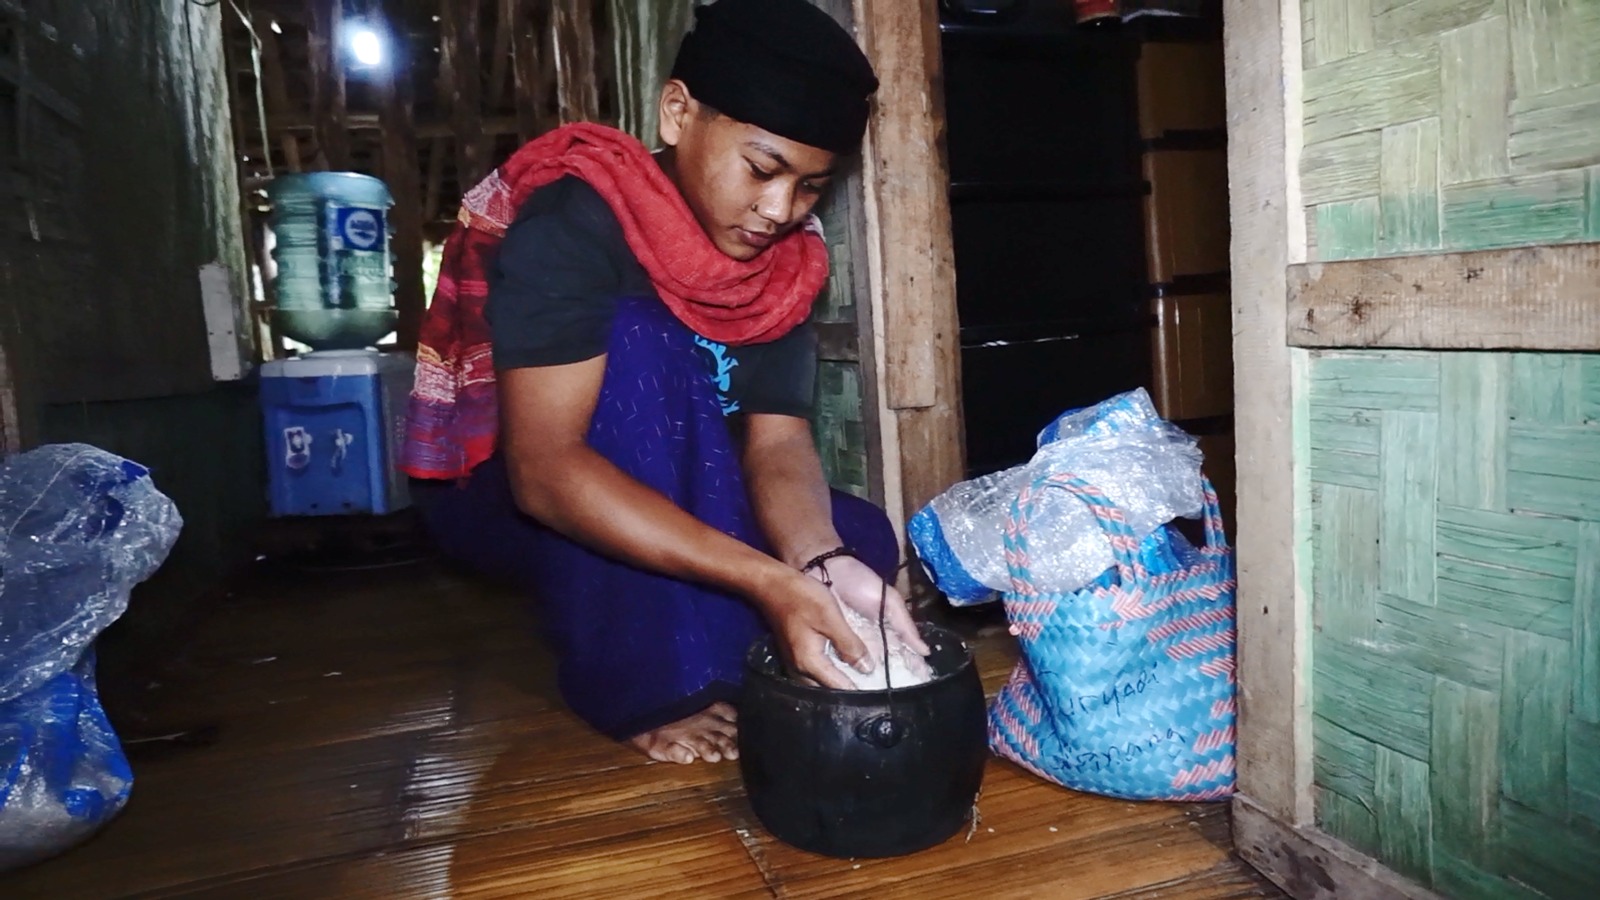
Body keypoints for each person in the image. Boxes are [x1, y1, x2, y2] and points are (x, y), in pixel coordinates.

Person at [400, 0, 928, 766]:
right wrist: (769, 582)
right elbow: (545, 472)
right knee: (642, 342)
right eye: (762, 169)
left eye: (811, 186)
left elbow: (778, 442)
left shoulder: (784, 265)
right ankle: (653, 683)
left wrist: (817, 562)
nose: (779, 210)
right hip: (524, 499)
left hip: (680, 480)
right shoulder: (578, 221)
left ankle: (718, 636)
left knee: (860, 543)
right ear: (678, 113)